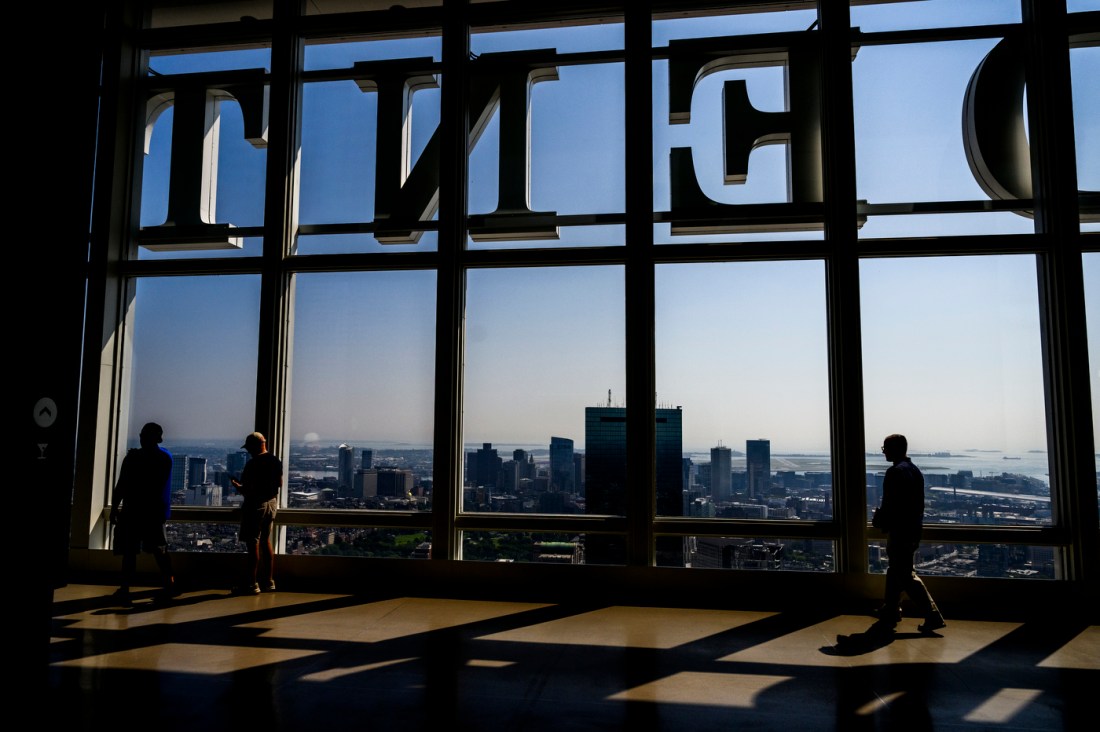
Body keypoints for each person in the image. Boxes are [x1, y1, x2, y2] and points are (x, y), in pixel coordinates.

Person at [872, 433, 946, 633]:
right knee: (896, 570)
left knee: (904, 573)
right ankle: (891, 609)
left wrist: (881, 520)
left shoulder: (894, 472)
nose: (883, 451)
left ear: (895, 449)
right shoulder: (915, 471)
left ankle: (932, 614)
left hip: (900, 530)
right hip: (913, 529)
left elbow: (891, 504)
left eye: (885, 447)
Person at [109, 422, 176, 605]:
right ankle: (169, 584)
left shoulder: (132, 458)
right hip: (154, 512)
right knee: (159, 549)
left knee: (129, 552)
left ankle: (125, 587)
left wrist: (115, 508)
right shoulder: (165, 458)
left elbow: (122, 485)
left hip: (132, 510)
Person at [230, 431, 282, 594]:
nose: (248, 451)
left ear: (256, 446)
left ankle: (251, 584)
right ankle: (269, 581)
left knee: (253, 545)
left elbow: (247, 489)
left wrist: (238, 487)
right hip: (272, 503)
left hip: (255, 505)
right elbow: (279, 483)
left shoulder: (253, 464)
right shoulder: (275, 461)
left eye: (249, 448)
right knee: (266, 542)